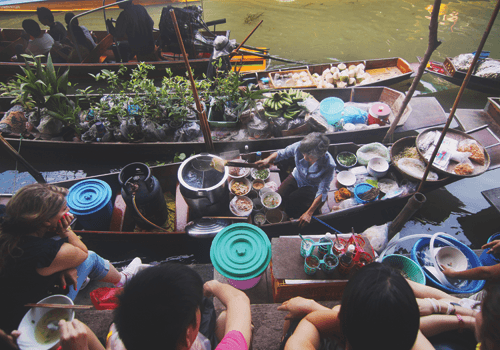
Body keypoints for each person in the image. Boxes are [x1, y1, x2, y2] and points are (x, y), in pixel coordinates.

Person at [0, 184, 142, 334]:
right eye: (64, 209)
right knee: (91, 258)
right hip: (29, 319)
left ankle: (77, 277)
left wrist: (65, 266)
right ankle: (123, 279)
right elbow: (82, 253)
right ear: (46, 222)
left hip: (10, 302)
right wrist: (64, 230)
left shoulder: (9, 223)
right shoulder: (41, 251)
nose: (69, 211)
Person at [278, 262, 430, 350]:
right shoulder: (404, 336)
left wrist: (314, 307)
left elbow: (310, 321)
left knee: (296, 321)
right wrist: (448, 309)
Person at [112, 263, 252, 350]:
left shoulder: (115, 339)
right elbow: (238, 300)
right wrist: (211, 286)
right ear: (188, 336)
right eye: (196, 308)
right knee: (231, 319)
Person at [255, 132, 335, 227]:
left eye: (309, 157)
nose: (304, 158)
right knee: (277, 199)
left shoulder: (329, 165)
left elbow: (323, 190)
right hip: (297, 176)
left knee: (293, 206)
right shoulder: (300, 146)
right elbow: (282, 153)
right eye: (303, 154)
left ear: (321, 155)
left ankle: (291, 214)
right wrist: (267, 160)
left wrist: (309, 213)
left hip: (312, 186)